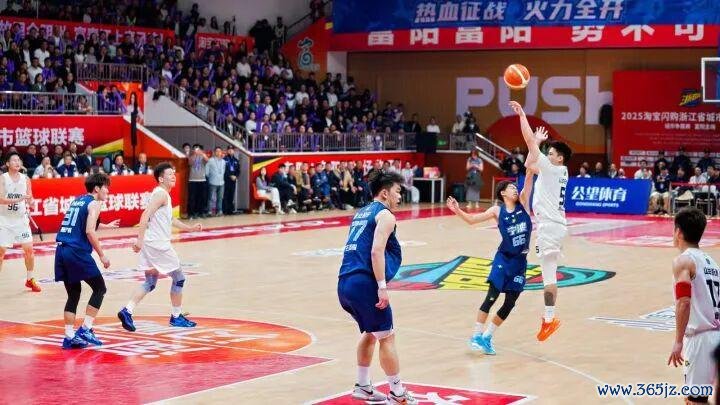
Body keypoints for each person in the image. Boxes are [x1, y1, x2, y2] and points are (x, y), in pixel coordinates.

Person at [337, 171, 417, 404]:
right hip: (365, 283)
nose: (400, 196)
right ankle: (397, 393)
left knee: (371, 332)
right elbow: (376, 251)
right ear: (384, 193)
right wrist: (382, 287)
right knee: (387, 336)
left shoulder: (361, 213)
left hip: (345, 283)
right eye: (397, 191)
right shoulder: (386, 215)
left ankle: (363, 386)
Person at [447, 170, 535, 355]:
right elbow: (472, 220)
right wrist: (457, 210)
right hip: (503, 259)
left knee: (510, 302)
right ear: (503, 193)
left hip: (520, 263)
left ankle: (487, 337)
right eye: (511, 187)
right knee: (492, 296)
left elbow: (528, 180)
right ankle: (476, 335)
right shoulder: (497, 210)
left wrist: (531, 165)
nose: (515, 189)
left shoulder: (524, 205)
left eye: (515, 187)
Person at [509, 100, 571, 342]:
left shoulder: (553, 169)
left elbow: (528, 143)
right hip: (556, 226)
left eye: (551, 153)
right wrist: (536, 144)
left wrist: (522, 116)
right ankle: (548, 319)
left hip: (549, 227)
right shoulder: (558, 171)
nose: (547, 154)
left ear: (559, 159)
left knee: (548, 276)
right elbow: (528, 164)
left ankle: (549, 319)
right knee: (550, 274)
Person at [118, 163, 203, 332]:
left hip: (151, 244)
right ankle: (176, 316)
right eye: (169, 174)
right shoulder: (161, 194)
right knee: (179, 278)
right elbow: (145, 215)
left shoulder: (162, 195)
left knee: (150, 282)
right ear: (161, 179)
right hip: (158, 245)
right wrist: (139, 240)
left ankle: (127, 310)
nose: (173, 176)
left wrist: (190, 228)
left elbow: (170, 220)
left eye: (174, 173)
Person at [55, 173, 120, 349]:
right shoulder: (95, 203)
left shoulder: (78, 200)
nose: (108, 191)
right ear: (97, 188)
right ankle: (86, 328)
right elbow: (90, 231)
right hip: (76, 251)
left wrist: (107, 226)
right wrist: (102, 255)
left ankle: (69, 336)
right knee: (100, 288)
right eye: (106, 187)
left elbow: (82, 223)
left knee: (73, 294)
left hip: (61, 250)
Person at [667, 207, 720, 404]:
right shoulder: (712, 262)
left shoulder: (683, 261)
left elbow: (684, 302)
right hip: (716, 335)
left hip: (701, 339)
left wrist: (678, 341)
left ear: (679, 232)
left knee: (695, 400)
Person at [0, 152, 40, 292]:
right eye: (14, 160)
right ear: (7, 164)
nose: (17, 162)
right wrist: (19, 199)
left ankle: (30, 279)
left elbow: (30, 197)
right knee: (1, 253)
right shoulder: (3, 178)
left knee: (29, 250)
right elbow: (1, 199)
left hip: (21, 220)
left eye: (19, 160)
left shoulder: (26, 179)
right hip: (4, 220)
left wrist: (31, 202)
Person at [223, 146, 240, 215]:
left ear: (234, 151)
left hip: (233, 180)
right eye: (229, 149)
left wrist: (236, 176)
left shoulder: (236, 160)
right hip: (226, 179)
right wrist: (230, 175)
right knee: (225, 195)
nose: (230, 151)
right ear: (227, 151)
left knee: (231, 195)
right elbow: (224, 170)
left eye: (232, 150)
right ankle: (225, 210)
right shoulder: (224, 159)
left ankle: (230, 210)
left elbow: (238, 170)